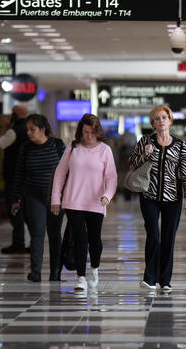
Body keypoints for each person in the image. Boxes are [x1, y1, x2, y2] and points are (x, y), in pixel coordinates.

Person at [129, 106, 186, 292]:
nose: (161, 121)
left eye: (164, 117)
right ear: (153, 123)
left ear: (170, 121)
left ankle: (165, 281)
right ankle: (149, 278)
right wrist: (145, 154)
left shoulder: (180, 145)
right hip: (149, 195)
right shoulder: (145, 141)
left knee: (168, 238)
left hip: (173, 198)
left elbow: (185, 173)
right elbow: (131, 163)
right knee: (153, 235)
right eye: (156, 118)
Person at [51, 113, 117, 291]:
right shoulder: (72, 148)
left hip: (96, 202)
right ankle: (80, 277)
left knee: (94, 240)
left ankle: (94, 268)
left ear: (98, 132)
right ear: (80, 131)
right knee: (79, 239)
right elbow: (60, 174)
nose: (88, 136)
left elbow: (111, 177)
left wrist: (107, 195)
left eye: (92, 132)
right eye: (85, 132)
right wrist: (56, 198)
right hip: (73, 201)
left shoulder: (104, 150)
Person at [11, 114, 66, 282]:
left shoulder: (57, 145)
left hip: (56, 196)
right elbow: (19, 174)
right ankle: (35, 272)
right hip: (33, 195)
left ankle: (55, 272)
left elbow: (66, 172)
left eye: (32, 129)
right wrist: (15, 199)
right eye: (27, 129)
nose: (28, 133)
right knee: (37, 233)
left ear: (43, 129)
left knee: (55, 234)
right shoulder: (26, 148)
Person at [0, 104, 29, 254]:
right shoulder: (30, 130)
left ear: (14, 115)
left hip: (13, 177)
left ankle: (18, 243)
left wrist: (5, 126)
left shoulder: (12, 131)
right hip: (28, 177)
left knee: (14, 209)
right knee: (27, 212)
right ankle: (30, 243)